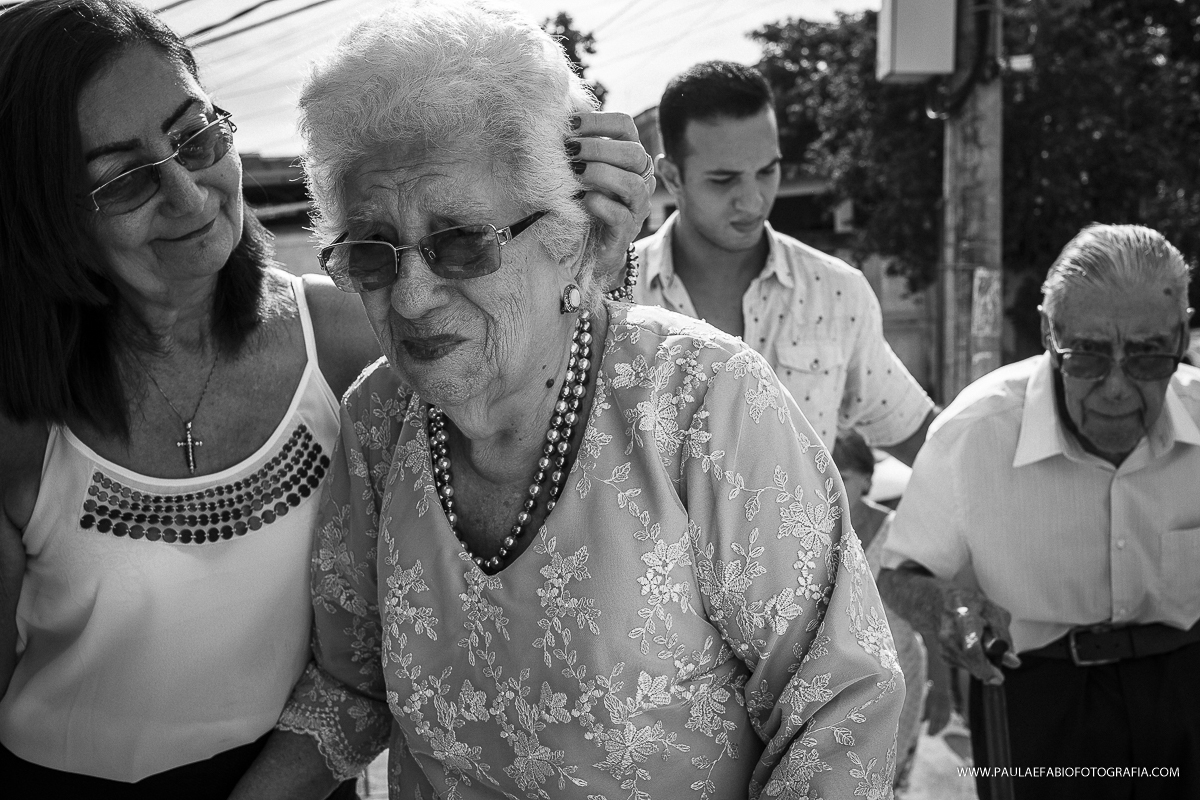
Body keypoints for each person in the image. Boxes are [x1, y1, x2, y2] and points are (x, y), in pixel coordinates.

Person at [228, 3, 905, 798]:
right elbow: (352, 687)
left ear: (565, 235)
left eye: (461, 243)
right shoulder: (380, 418)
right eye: (373, 254)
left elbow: (839, 708)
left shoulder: (703, 403)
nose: (410, 298)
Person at [0, 0, 653, 794]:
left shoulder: (351, 337)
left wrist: (579, 255)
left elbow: (546, 435)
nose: (190, 192)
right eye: (123, 181)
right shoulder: (19, 417)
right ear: (39, 212)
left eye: (196, 136)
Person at [878, 224, 1200, 799]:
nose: (1117, 390)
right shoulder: (974, 433)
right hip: (1035, 697)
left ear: (1182, 336)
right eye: (1089, 356)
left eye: (1150, 357)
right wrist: (949, 609)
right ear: (1050, 335)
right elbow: (899, 576)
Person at [634, 61, 936, 463]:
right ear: (672, 177)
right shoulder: (611, 290)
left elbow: (927, 442)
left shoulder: (836, 292)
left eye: (767, 170)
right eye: (723, 180)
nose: (753, 199)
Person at [832, 431, 934, 793]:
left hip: (897, 678)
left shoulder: (897, 532)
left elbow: (927, 609)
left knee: (883, 781)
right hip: (837, 687)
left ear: (866, 481)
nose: (829, 482)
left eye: (841, 475)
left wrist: (945, 692)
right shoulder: (808, 530)